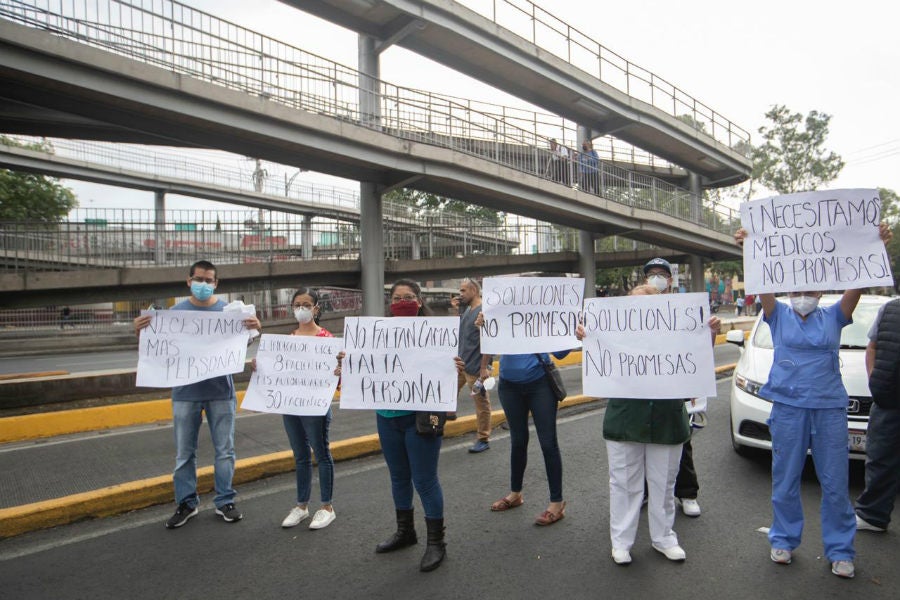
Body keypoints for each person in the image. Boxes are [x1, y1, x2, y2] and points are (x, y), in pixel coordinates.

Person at [734, 222, 892, 579]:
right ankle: (784, 540)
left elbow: (859, 282)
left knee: (835, 483)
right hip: (789, 410)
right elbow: (761, 278)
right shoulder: (776, 315)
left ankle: (840, 550)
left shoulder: (836, 316)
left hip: (829, 411)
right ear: (789, 291)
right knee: (785, 478)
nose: (804, 292)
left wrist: (875, 245)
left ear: (821, 291)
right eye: (797, 288)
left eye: (811, 288)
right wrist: (749, 247)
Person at [576, 284, 720, 565]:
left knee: (664, 484)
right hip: (625, 419)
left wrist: (709, 335)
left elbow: (695, 366)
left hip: (667, 420)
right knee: (623, 484)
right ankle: (621, 542)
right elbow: (602, 362)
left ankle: (664, 537)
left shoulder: (677, 333)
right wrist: (588, 338)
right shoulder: (616, 336)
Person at [337, 279, 463, 572]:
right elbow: (362, 371)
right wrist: (348, 364)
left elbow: (448, 383)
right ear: (390, 303)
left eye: (408, 296)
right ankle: (406, 532)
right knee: (398, 478)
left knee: (425, 480)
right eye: (397, 297)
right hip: (387, 417)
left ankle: (436, 542)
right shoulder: (375, 335)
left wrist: (454, 371)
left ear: (419, 302)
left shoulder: (436, 336)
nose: (402, 301)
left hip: (420, 418)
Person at [133, 260, 261, 529]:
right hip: (185, 394)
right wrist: (142, 331)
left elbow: (242, 343)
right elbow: (159, 349)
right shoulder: (172, 314)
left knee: (225, 451)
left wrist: (254, 329)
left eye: (209, 280)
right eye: (199, 279)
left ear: (216, 284)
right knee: (184, 454)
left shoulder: (230, 312)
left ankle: (225, 501)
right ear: (189, 281)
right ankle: (186, 503)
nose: (204, 284)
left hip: (221, 392)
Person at [474, 312, 571, 526]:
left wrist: (573, 331)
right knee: (518, 441)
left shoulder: (544, 319)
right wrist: (484, 328)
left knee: (548, 443)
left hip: (540, 385)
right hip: (509, 385)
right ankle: (515, 493)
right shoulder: (505, 315)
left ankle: (557, 502)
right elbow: (491, 340)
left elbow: (562, 353)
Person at [643, 257, 702, 517]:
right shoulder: (633, 307)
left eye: (661, 274)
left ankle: (687, 493)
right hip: (643, 385)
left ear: (670, 280)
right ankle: (644, 492)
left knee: (681, 440)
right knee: (642, 441)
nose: (657, 277)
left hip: (673, 382)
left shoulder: (683, 308)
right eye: (652, 273)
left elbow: (694, 345)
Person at [277, 287, 337, 530]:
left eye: (306, 304)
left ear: (316, 309)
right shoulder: (288, 340)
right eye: (297, 304)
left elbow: (338, 380)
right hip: (291, 405)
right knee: (300, 455)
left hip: (315, 407)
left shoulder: (327, 340)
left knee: (321, 453)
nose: (301, 308)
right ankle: (301, 506)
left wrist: (338, 372)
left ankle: (326, 507)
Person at [855, 296, 900, 533]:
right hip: (888, 399)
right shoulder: (889, 309)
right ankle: (872, 515)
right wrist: (875, 380)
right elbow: (872, 346)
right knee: (880, 458)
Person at [456, 278, 493, 453]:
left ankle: (483, 438)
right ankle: (436, 425)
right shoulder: (466, 311)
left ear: (474, 291)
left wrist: (484, 368)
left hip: (477, 368)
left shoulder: (483, 312)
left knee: (481, 404)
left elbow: (488, 341)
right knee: (445, 395)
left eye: (463, 291)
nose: (460, 294)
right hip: (461, 366)